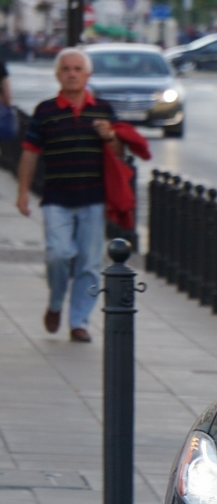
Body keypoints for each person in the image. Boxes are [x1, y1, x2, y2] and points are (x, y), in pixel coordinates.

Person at [17, 48, 122, 343]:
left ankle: (79, 321)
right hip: (57, 197)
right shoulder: (46, 111)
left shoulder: (103, 110)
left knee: (89, 263)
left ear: (87, 75)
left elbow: (119, 155)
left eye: (78, 69)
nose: (72, 73)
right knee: (58, 255)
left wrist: (110, 136)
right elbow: (29, 154)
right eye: (66, 69)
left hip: (93, 197)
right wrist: (23, 192)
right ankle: (55, 303)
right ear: (57, 75)